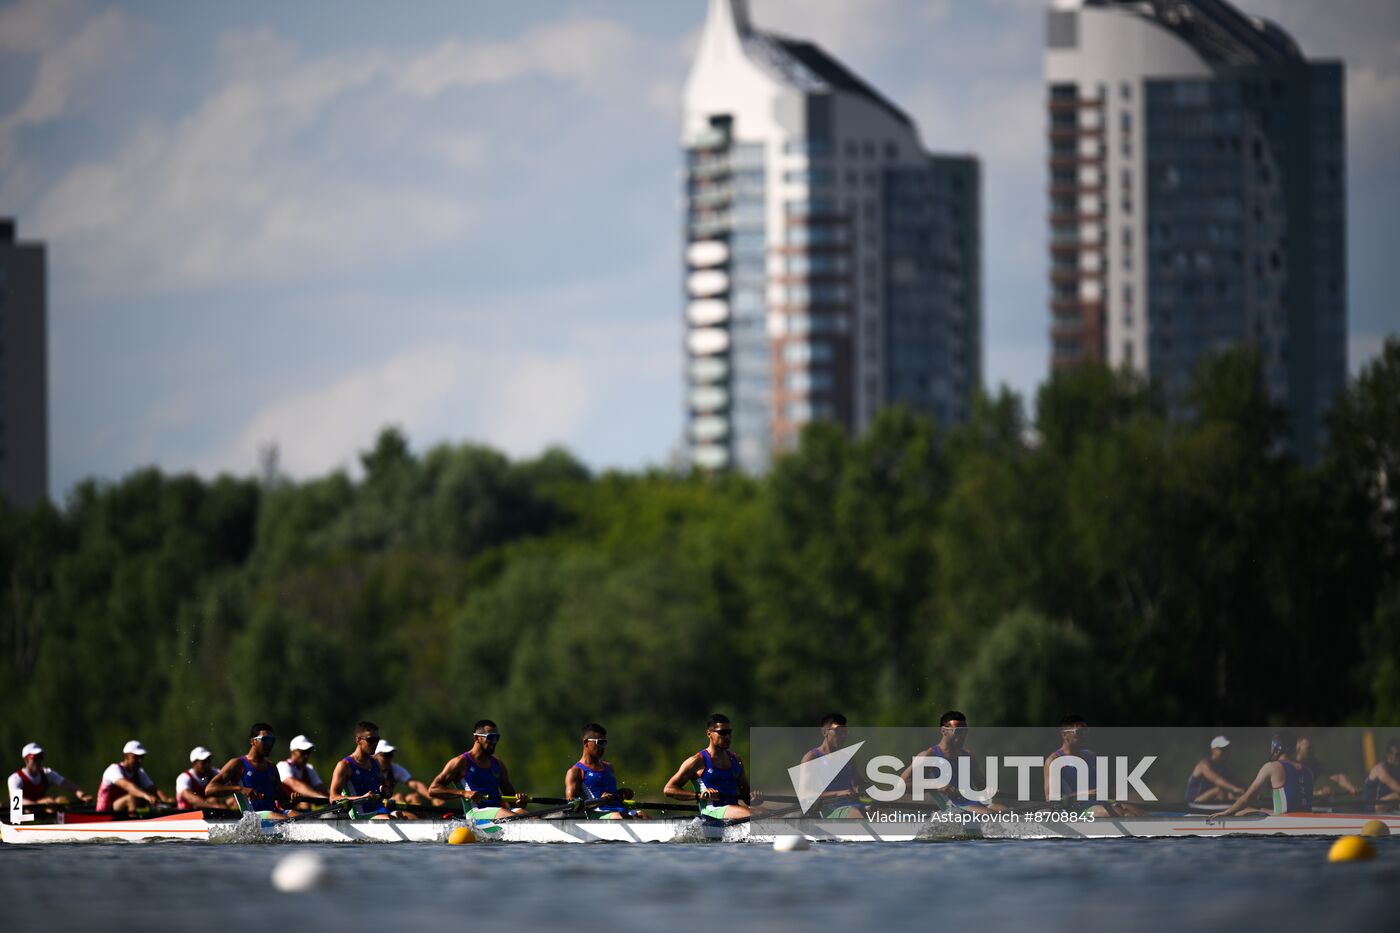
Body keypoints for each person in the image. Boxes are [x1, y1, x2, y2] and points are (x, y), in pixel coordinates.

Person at [899, 711, 1007, 814]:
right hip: (953, 807)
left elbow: (980, 784)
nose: (962, 736)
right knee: (991, 815)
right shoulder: (928, 756)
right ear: (943, 731)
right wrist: (935, 784)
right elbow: (902, 786)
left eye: (965, 731)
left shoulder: (967, 755)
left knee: (1008, 812)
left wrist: (990, 789)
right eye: (958, 731)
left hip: (975, 803)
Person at [1042, 715, 1146, 817]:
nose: (1084, 736)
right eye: (1079, 732)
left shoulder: (1090, 755)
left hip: (1099, 803)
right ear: (1065, 735)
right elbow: (1051, 799)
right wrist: (1088, 794)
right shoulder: (1053, 760)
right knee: (1122, 814)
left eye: (1086, 731)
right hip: (1075, 809)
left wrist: (1110, 791)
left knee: (1139, 814)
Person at [427, 720, 530, 819]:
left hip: (500, 812)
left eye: (497, 737)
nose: (494, 742)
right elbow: (433, 790)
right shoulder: (460, 762)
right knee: (511, 815)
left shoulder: (498, 764)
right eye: (491, 737)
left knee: (529, 815)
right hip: (475, 814)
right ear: (477, 738)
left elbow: (513, 802)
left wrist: (520, 801)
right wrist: (463, 793)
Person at [664, 713, 758, 820]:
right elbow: (669, 789)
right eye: (722, 732)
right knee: (757, 815)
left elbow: (747, 798)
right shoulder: (697, 761)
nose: (727, 736)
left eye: (729, 732)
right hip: (711, 812)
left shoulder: (736, 760)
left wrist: (755, 797)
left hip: (734, 812)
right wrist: (699, 795)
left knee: (767, 813)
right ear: (709, 734)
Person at [1208, 731, 1313, 820]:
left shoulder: (1271, 767)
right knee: (1261, 810)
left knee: (1242, 811)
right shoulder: (1308, 770)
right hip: (1307, 817)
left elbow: (1247, 798)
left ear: (1277, 747)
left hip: (1285, 819)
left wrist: (1226, 812)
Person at [204, 723, 292, 820]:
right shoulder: (237, 764)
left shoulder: (272, 767)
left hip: (275, 813)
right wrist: (240, 789)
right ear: (253, 741)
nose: (269, 744)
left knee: (297, 815)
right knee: (283, 818)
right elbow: (209, 789)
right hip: (252, 817)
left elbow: (284, 803)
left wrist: (294, 801)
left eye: (272, 740)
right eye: (265, 740)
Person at [564, 723, 647, 820]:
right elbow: (572, 805)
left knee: (643, 815)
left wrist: (620, 793)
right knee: (619, 817)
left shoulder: (609, 767)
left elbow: (611, 793)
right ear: (586, 743)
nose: (603, 747)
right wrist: (599, 800)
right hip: (598, 813)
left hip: (619, 811)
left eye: (605, 743)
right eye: (600, 743)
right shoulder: (576, 771)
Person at [796, 714, 864, 818]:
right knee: (855, 814)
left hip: (854, 806)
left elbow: (858, 784)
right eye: (838, 731)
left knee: (882, 815)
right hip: (829, 809)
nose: (842, 736)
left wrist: (863, 789)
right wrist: (838, 794)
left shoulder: (848, 758)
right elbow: (804, 794)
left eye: (844, 732)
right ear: (825, 732)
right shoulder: (811, 758)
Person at [329, 721, 396, 820]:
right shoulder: (345, 766)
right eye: (371, 740)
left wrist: (386, 790)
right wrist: (362, 798)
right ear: (358, 740)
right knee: (390, 819)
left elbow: (385, 788)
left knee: (408, 817)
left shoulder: (375, 763)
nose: (375, 743)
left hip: (381, 811)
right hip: (360, 816)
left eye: (377, 739)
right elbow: (333, 798)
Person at [95, 740, 172, 813]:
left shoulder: (139, 772)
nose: (140, 761)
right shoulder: (113, 769)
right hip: (104, 812)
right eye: (136, 757)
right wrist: (146, 796)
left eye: (141, 757)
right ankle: (136, 823)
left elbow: (153, 790)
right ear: (126, 756)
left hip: (121, 812)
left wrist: (167, 800)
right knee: (131, 798)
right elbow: (128, 786)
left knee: (144, 800)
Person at [8, 742, 92, 808]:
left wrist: (82, 795)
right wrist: (43, 803)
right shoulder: (15, 779)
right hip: (22, 817)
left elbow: (69, 785)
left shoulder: (47, 773)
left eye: (41, 757)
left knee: (61, 803)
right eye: (36, 758)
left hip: (42, 813)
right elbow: (18, 802)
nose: (39, 762)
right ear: (25, 759)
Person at [1185, 736, 1246, 804]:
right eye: (1222, 749)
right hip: (1193, 802)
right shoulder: (1203, 765)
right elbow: (1217, 780)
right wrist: (1234, 789)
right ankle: (1227, 812)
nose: (1225, 751)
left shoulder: (1223, 768)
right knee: (1220, 790)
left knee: (1233, 794)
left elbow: (1237, 782)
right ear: (1213, 750)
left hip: (1207, 801)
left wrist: (1249, 791)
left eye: (1227, 749)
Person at [1294, 736, 1358, 798]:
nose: (1312, 751)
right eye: (1309, 748)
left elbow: (1338, 777)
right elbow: (1296, 789)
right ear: (1298, 749)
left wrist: (1350, 787)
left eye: (1313, 748)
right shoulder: (1290, 765)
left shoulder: (1315, 765)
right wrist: (1318, 793)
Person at [374, 740, 433, 806]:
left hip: (386, 804)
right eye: (385, 755)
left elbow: (415, 784)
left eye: (390, 755)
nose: (388, 758)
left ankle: (417, 815)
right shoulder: (368, 769)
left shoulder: (395, 768)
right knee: (398, 797)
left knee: (414, 797)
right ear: (375, 756)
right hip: (373, 806)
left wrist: (432, 798)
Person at [277, 735, 328, 804]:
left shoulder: (309, 768)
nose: (306, 756)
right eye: (303, 752)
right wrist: (319, 797)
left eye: (308, 752)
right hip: (284, 809)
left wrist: (329, 796)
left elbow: (320, 787)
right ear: (293, 751)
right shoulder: (282, 765)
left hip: (303, 811)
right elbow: (295, 784)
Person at [1362, 739, 1400, 812]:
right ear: (1388, 755)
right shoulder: (1379, 769)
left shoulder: (1396, 770)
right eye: (1398, 754)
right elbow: (1395, 786)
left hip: (1386, 806)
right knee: (1397, 796)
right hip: (1370, 807)